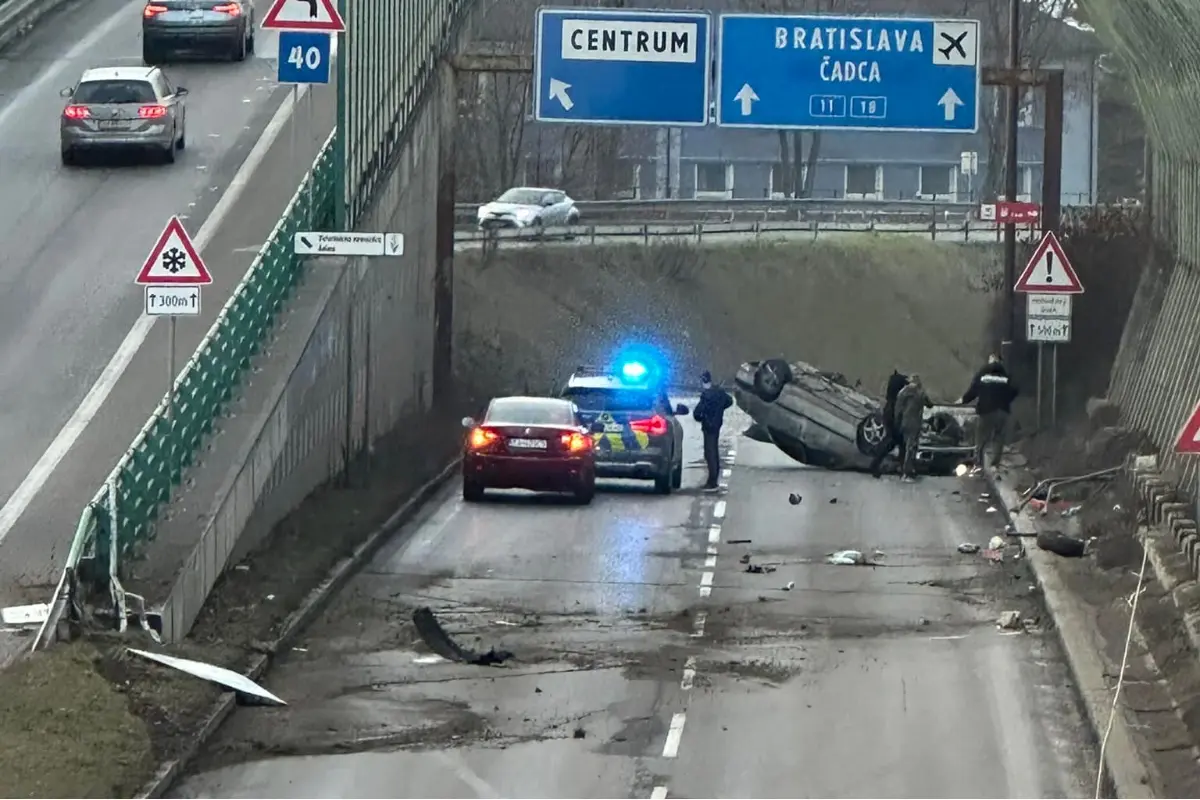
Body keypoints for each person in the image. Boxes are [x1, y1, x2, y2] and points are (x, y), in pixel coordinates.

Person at [959, 353, 1019, 468]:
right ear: (1000, 361)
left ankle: (979, 465)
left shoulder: (983, 373)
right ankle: (995, 465)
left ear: (990, 360)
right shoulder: (1006, 375)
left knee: (982, 438)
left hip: (986, 410)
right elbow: (1014, 390)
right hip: (1002, 411)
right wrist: (1006, 401)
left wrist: (963, 400)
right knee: (999, 437)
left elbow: (974, 390)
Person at [693, 370, 733, 490]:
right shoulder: (720, 393)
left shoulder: (706, 395)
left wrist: (703, 417)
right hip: (716, 424)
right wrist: (719, 409)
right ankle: (713, 480)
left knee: (710, 453)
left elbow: (697, 413)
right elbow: (729, 401)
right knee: (713, 452)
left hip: (708, 426)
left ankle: (712, 482)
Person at [870, 369, 910, 478]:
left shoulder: (893, 388)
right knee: (896, 443)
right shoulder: (899, 389)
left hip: (889, 414)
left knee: (894, 443)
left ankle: (876, 464)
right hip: (893, 415)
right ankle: (903, 470)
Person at [893, 373, 933, 482]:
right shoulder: (920, 393)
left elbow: (898, 409)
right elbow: (930, 404)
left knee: (905, 447)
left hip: (904, 422)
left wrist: (897, 422)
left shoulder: (902, 392)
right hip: (915, 423)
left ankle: (904, 470)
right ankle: (907, 473)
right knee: (911, 448)